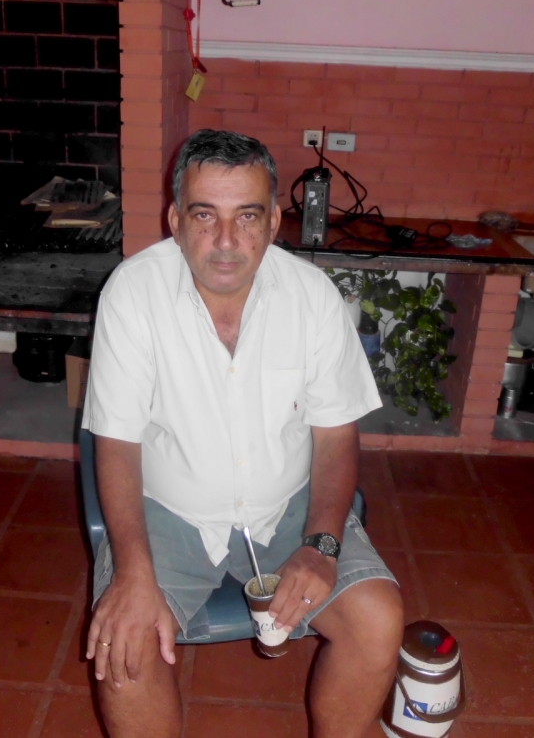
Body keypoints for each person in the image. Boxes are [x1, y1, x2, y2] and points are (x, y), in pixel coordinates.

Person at [81, 129, 404, 738]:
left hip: (287, 508)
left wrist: (322, 545)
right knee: (125, 647)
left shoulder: (312, 298)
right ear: (175, 220)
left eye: (247, 217)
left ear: (274, 221)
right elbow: (117, 443)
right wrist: (132, 572)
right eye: (205, 215)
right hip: (167, 511)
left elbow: (336, 437)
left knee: (377, 619)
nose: (226, 241)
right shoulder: (132, 293)